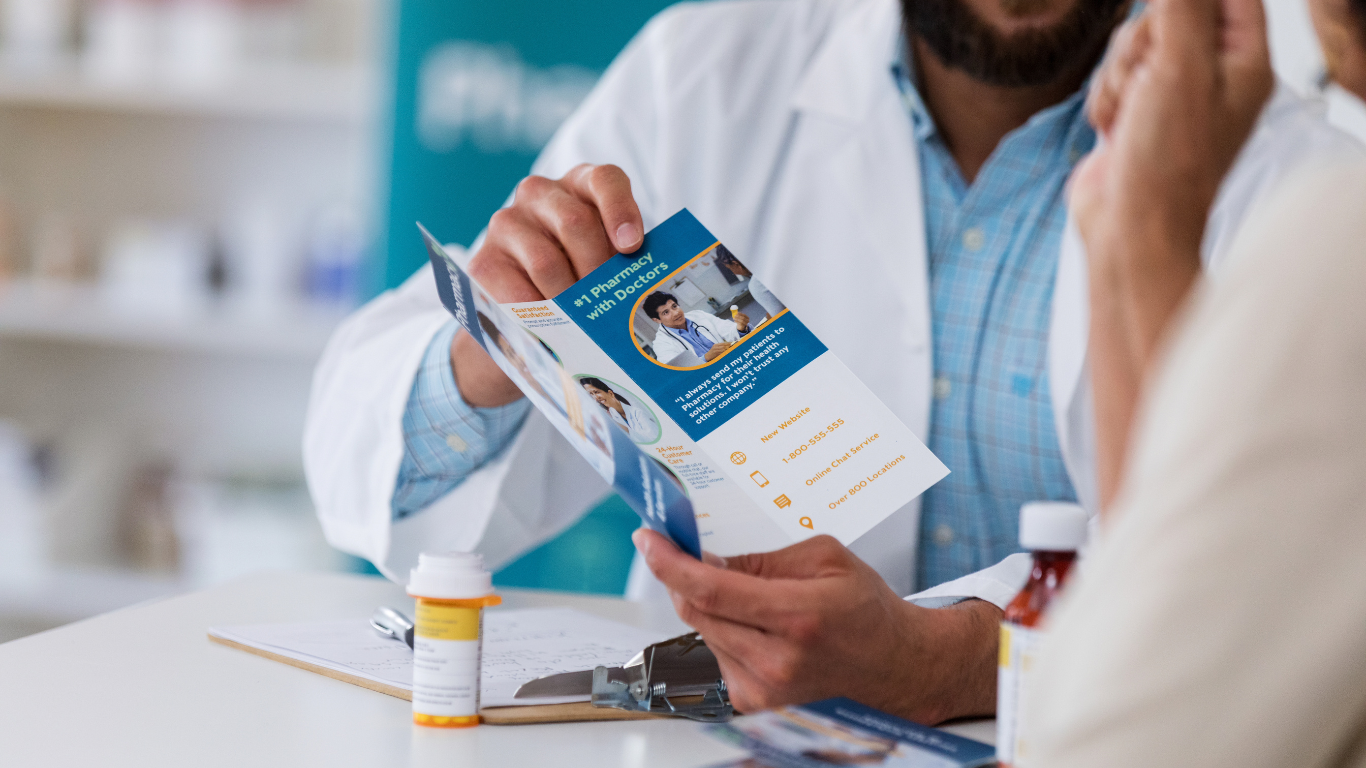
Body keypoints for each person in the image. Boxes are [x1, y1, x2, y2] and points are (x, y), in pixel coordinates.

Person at [303, 0, 1351, 724]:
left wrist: (947, 662)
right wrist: (495, 350)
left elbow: (1265, 599)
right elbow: (377, 455)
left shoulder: (1298, 181)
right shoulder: (705, 77)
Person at [1023, 0, 1366, 764]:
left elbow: (1123, 738)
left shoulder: (1343, 231)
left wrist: (1143, 226)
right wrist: (1132, 218)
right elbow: (1165, 564)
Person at [642, 290, 751, 365]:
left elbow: (728, 330)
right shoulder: (661, 344)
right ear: (657, 320)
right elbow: (679, 372)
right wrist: (707, 357)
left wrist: (741, 328)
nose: (675, 313)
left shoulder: (698, 315)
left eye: (674, 306)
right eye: (666, 312)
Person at [579, 376, 659, 443]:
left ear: (610, 393)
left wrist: (625, 430)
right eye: (591, 394)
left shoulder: (637, 412)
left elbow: (654, 438)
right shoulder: (612, 416)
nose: (596, 398)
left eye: (596, 392)